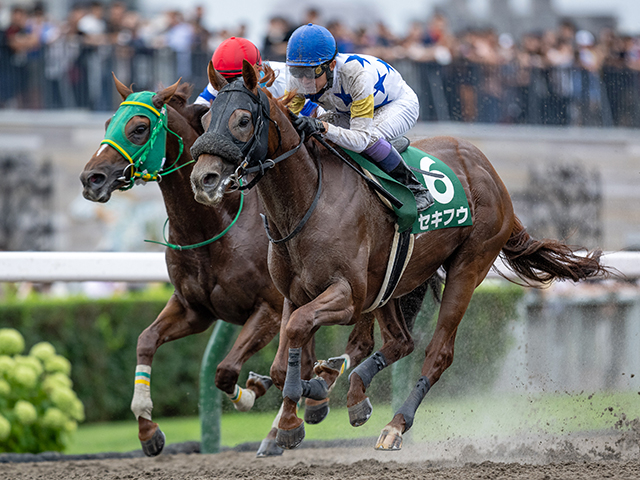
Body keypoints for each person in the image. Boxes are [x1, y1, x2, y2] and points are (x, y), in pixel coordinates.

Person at [285, 23, 433, 211]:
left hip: (397, 105)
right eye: (297, 72)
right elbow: (287, 119)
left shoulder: (355, 73)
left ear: (331, 65)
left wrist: (323, 126)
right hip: (350, 110)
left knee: (368, 139)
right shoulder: (298, 78)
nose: (304, 80)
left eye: (312, 72)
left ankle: (416, 189)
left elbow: (361, 140)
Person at [195, 36, 321, 118]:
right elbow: (196, 114)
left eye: (238, 79)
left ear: (258, 69)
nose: (232, 85)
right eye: (226, 80)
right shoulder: (218, 81)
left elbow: (317, 117)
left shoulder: (287, 80)